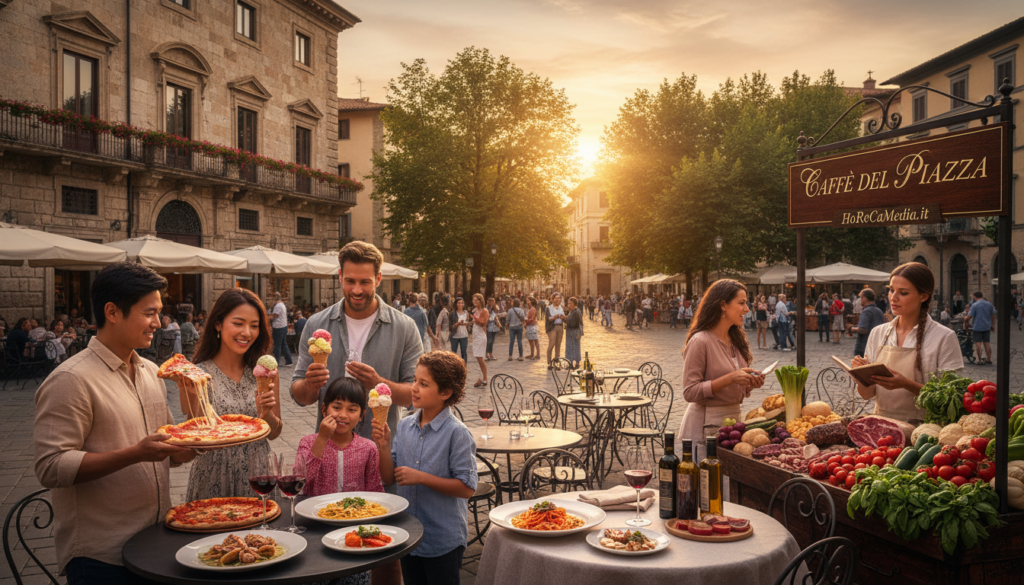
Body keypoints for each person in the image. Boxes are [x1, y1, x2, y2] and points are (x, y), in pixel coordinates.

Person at [33, 262, 197, 583]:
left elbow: (173, 454)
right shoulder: (71, 379)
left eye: (159, 312)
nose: (158, 322)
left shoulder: (151, 372)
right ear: (112, 312)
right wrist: (134, 454)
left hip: (156, 541)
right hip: (101, 557)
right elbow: (51, 466)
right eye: (149, 313)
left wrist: (201, 431)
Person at [289, 241, 423, 480]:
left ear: (378, 279)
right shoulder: (316, 324)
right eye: (350, 281)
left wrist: (379, 383)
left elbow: (417, 397)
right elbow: (300, 398)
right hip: (329, 455)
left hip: (382, 459)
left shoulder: (404, 327)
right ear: (340, 277)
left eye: (365, 282)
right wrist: (310, 384)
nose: (357, 290)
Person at [372, 351, 477, 585]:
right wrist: (384, 447)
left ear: (445, 393)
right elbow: (389, 477)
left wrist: (421, 477)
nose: (414, 388)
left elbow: (466, 488)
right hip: (410, 537)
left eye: (423, 383)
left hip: (443, 541)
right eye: (414, 380)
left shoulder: (457, 433)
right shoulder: (405, 425)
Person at [174, 288, 282, 501]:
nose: (247, 333)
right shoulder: (198, 375)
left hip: (259, 475)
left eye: (254, 326)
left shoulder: (265, 373)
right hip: (213, 474)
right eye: (238, 323)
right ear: (218, 324)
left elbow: (274, 432)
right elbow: (189, 444)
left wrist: (266, 414)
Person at [298, 377, 383, 585]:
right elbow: (301, 484)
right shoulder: (308, 442)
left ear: (362, 414)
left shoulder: (368, 447)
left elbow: (375, 492)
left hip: (354, 535)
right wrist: (321, 439)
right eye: (337, 407)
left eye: (352, 409)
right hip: (315, 533)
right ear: (324, 409)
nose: (343, 415)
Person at [854, 262, 964, 422]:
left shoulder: (944, 337)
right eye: (891, 290)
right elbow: (867, 395)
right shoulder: (878, 333)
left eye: (903, 292)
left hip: (926, 432)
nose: (893, 297)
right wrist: (861, 378)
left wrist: (906, 384)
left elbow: (952, 397)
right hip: (882, 430)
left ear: (923, 296)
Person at [677, 279, 766, 462]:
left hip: (731, 424)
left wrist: (749, 383)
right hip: (705, 428)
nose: (747, 309)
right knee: (708, 486)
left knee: (725, 486)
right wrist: (731, 378)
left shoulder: (735, 340)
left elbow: (732, 387)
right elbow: (689, 391)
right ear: (723, 305)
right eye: (741, 303)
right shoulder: (700, 341)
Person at [852, 289, 885, 358]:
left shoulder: (866, 311)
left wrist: (851, 329)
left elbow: (863, 330)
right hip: (878, 344)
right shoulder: (879, 311)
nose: (860, 300)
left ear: (864, 298)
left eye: (861, 298)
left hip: (864, 345)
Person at [966, 291, 996, 365]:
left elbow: (969, 316)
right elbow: (993, 315)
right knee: (987, 343)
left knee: (978, 343)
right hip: (987, 326)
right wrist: (992, 325)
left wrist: (965, 319)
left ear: (975, 297)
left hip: (977, 326)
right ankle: (988, 359)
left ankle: (980, 360)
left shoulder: (974, 305)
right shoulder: (989, 304)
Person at [268, 292, 293, 366]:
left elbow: (275, 315)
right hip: (283, 326)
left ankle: (276, 362)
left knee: (277, 345)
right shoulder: (282, 305)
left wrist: (266, 317)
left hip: (278, 327)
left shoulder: (278, 306)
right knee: (283, 344)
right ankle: (289, 360)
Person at [470, 293, 489, 387]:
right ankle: (482, 378)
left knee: (480, 357)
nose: (474, 302)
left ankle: (485, 378)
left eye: (476, 300)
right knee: (478, 357)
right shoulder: (475, 310)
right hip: (476, 335)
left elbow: (483, 323)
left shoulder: (484, 311)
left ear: (481, 301)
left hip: (481, 335)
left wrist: (475, 319)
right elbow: (475, 322)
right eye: (473, 300)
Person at [545, 292, 565, 367]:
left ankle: (557, 360)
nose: (557, 300)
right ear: (552, 299)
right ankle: (549, 362)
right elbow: (548, 318)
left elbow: (565, 317)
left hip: (560, 326)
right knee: (552, 344)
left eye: (559, 298)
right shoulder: (549, 308)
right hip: (552, 327)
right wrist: (556, 316)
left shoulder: (561, 307)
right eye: (556, 298)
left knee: (558, 345)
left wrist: (563, 317)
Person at [564, 297, 583, 368]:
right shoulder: (573, 311)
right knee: (573, 347)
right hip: (572, 332)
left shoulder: (576, 311)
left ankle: (573, 363)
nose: (569, 305)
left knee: (573, 347)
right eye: (568, 303)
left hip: (574, 332)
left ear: (574, 303)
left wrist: (564, 319)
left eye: (570, 303)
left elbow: (573, 323)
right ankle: (573, 363)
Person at [449, 297, 469, 361]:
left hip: (464, 335)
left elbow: (468, 323)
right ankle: (454, 367)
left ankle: (464, 367)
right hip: (455, 335)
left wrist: (467, 323)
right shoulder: (452, 313)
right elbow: (451, 327)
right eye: (459, 303)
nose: (460, 305)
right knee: (454, 353)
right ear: (456, 304)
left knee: (464, 352)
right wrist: (458, 323)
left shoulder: (466, 312)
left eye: (462, 303)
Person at [484, 297, 501, 361]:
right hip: (488, 326)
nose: (493, 303)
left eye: (494, 301)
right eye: (492, 301)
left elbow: (496, 316)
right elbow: (487, 315)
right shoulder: (486, 308)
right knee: (489, 340)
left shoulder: (495, 307)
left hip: (494, 326)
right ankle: (487, 354)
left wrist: (499, 324)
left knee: (492, 341)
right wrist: (490, 307)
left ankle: (491, 354)